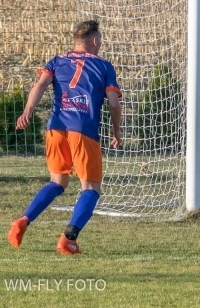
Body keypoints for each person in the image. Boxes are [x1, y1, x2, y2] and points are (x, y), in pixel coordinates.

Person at [7, 19, 122, 255]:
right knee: (91, 188)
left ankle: (23, 221)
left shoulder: (57, 60)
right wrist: (116, 129)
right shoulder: (104, 66)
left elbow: (40, 85)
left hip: (56, 128)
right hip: (83, 129)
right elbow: (113, 103)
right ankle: (68, 239)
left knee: (57, 182)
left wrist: (27, 111)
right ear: (94, 41)